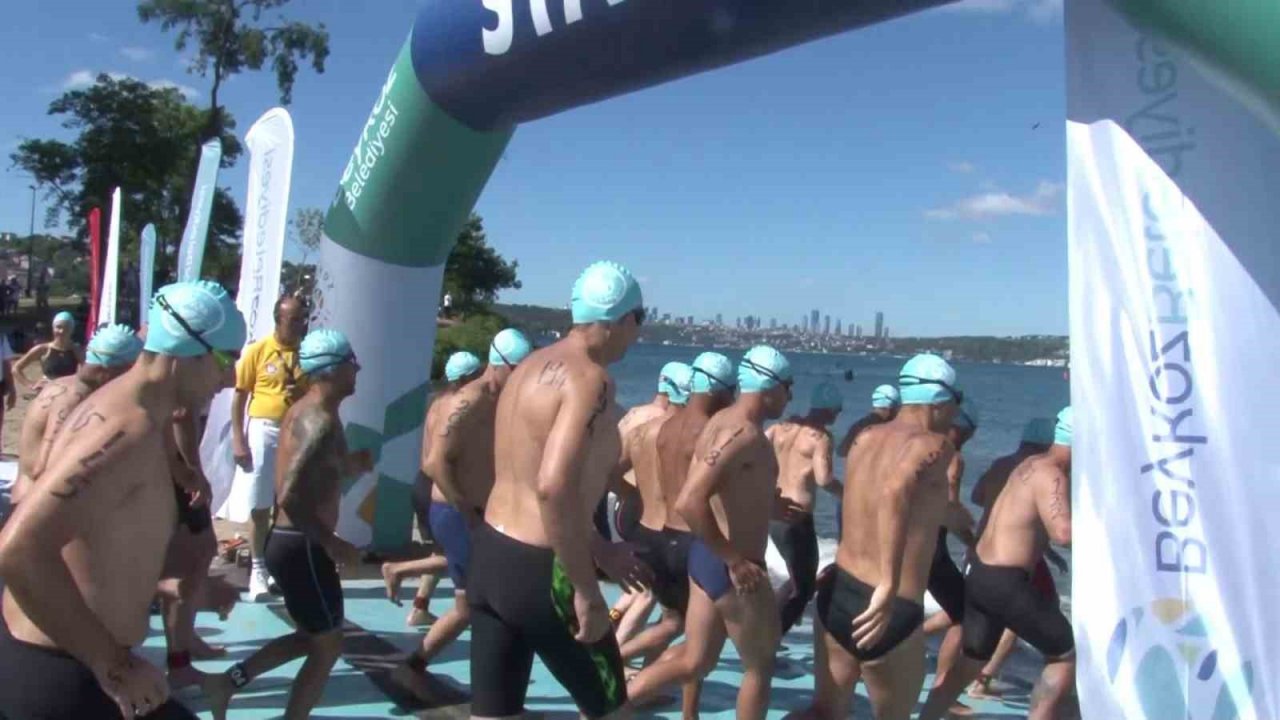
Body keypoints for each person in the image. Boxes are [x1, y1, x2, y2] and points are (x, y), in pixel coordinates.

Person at [0, 280, 245, 719]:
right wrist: (113, 666)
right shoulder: (128, 431)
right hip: (62, 675)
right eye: (226, 360)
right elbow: (18, 548)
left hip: (71, 661)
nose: (229, 378)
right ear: (180, 357)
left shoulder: (140, 418)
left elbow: (105, 543)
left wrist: (181, 585)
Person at [467, 261, 650, 719]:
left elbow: (528, 479)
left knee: (493, 715)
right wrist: (586, 591)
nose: (638, 334)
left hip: (491, 556)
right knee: (613, 711)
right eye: (639, 320)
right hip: (542, 573)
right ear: (621, 320)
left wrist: (599, 548)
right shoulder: (591, 380)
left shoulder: (528, 366)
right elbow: (552, 487)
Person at [204, 329, 372, 720]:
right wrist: (331, 542)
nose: (357, 369)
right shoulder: (318, 422)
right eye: (351, 362)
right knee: (328, 645)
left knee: (311, 637)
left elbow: (311, 473)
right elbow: (290, 494)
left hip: (291, 544)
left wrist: (349, 465)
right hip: (302, 546)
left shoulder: (312, 413)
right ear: (332, 370)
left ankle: (226, 683)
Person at [626, 346, 793, 720]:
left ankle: (608, 707)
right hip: (735, 564)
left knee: (695, 661)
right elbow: (690, 500)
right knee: (760, 667)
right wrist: (735, 560)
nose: (791, 396)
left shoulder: (721, 424)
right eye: (788, 386)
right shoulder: (743, 433)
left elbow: (725, 488)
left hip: (706, 556)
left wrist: (767, 504)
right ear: (770, 387)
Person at [794, 353, 961, 720]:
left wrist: (973, 531)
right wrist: (887, 584)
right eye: (956, 401)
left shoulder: (864, 437)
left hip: (838, 592)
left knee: (824, 712)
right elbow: (894, 492)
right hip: (888, 608)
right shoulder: (937, 445)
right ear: (941, 401)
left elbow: (890, 499)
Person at [393, 332, 533, 696]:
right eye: (516, 371)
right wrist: (466, 510)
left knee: (478, 604)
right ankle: (418, 668)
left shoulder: (503, 399)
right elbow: (434, 463)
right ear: (497, 364)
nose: (520, 378)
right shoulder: (468, 402)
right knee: (481, 604)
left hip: (479, 513)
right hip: (456, 514)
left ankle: (418, 667)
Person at [918, 407, 1075, 720]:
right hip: (1005, 581)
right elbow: (1063, 533)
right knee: (1064, 653)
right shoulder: (1052, 474)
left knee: (973, 659)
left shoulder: (1027, 464)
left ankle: (927, 717)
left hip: (979, 572)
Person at [380, 350, 489, 626]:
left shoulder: (437, 402)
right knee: (466, 555)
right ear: (466, 378)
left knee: (445, 553)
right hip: (440, 488)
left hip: (424, 486)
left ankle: (420, 606)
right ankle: (399, 569)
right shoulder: (462, 409)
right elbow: (442, 461)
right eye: (477, 376)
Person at [225, 296, 308, 602]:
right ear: (278, 319)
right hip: (264, 427)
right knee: (260, 505)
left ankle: (278, 567)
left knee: (287, 505)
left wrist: (300, 391)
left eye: (302, 319)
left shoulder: (307, 354)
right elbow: (239, 396)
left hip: (297, 431)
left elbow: (317, 394)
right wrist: (238, 438)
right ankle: (258, 569)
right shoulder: (258, 351)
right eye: (293, 320)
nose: (299, 325)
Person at [612, 362, 693, 653]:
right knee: (649, 594)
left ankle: (615, 630)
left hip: (624, 509)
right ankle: (618, 654)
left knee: (641, 585)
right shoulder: (671, 427)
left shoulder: (635, 416)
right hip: (654, 515)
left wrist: (628, 492)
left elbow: (609, 468)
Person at [13, 324, 142, 505]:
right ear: (109, 370)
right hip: (35, 511)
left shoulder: (65, 384)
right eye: (128, 373)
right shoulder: (74, 398)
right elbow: (43, 469)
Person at [767, 381, 844, 635]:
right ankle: (768, 643)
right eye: (837, 411)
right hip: (797, 518)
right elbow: (824, 479)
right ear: (831, 410)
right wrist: (850, 495)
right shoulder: (821, 438)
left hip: (773, 513)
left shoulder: (780, 428)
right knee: (804, 589)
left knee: (797, 579)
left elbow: (757, 453)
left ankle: (768, 630)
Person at [12, 311, 83, 391]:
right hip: (47, 394)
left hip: (68, 393)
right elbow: (16, 368)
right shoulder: (43, 349)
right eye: (58, 327)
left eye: (66, 328)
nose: (62, 331)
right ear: (53, 328)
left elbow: (89, 370)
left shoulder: (76, 349)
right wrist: (30, 385)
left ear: (72, 330)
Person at [835, 384, 900, 458]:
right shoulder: (888, 430)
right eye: (897, 409)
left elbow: (842, 452)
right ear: (892, 407)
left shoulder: (857, 426)